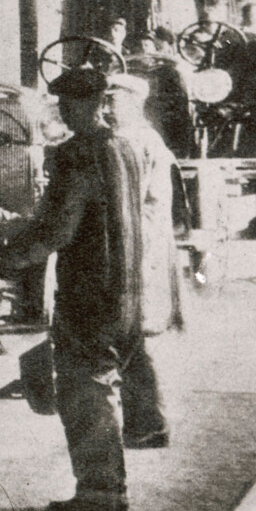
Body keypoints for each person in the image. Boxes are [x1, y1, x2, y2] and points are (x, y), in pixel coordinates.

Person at [0, 66, 156, 511]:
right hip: (124, 286)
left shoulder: (77, 153)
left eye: (70, 103)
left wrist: (8, 258)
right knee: (102, 383)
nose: (65, 110)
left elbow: (62, 226)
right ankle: (107, 486)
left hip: (89, 288)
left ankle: (101, 491)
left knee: (84, 391)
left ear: (88, 103)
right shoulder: (124, 147)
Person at [106, 73, 178, 445]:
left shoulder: (138, 140)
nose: (107, 108)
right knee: (131, 337)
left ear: (134, 103)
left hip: (141, 243)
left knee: (134, 336)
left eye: (113, 102)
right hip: (138, 240)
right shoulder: (136, 137)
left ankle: (150, 424)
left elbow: (133, 202)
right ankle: (145, 423)